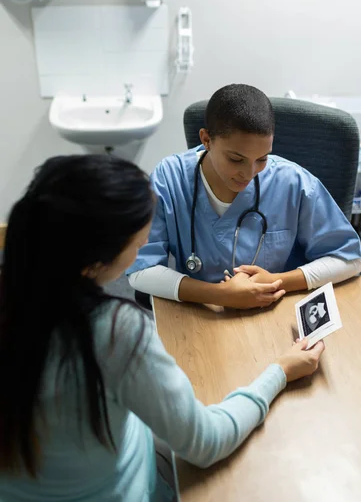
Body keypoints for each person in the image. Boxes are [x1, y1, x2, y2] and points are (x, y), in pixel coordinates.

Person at [0, 154, 324, 502]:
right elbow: (205, 443)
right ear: (97, 261)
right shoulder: (116, 331)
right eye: (139, 243)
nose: (145, 247)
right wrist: (280, 372)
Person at [127, 84, 361, 310]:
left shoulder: (292, 182)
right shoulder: (170, 178)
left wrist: (278, 281)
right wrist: (220, 295)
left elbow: (351, 260)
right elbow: (140, 271)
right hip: (199, 314)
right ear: (206, 139)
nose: (249, 173)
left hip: (273, 310)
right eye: (236, 159)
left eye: (262, 158)